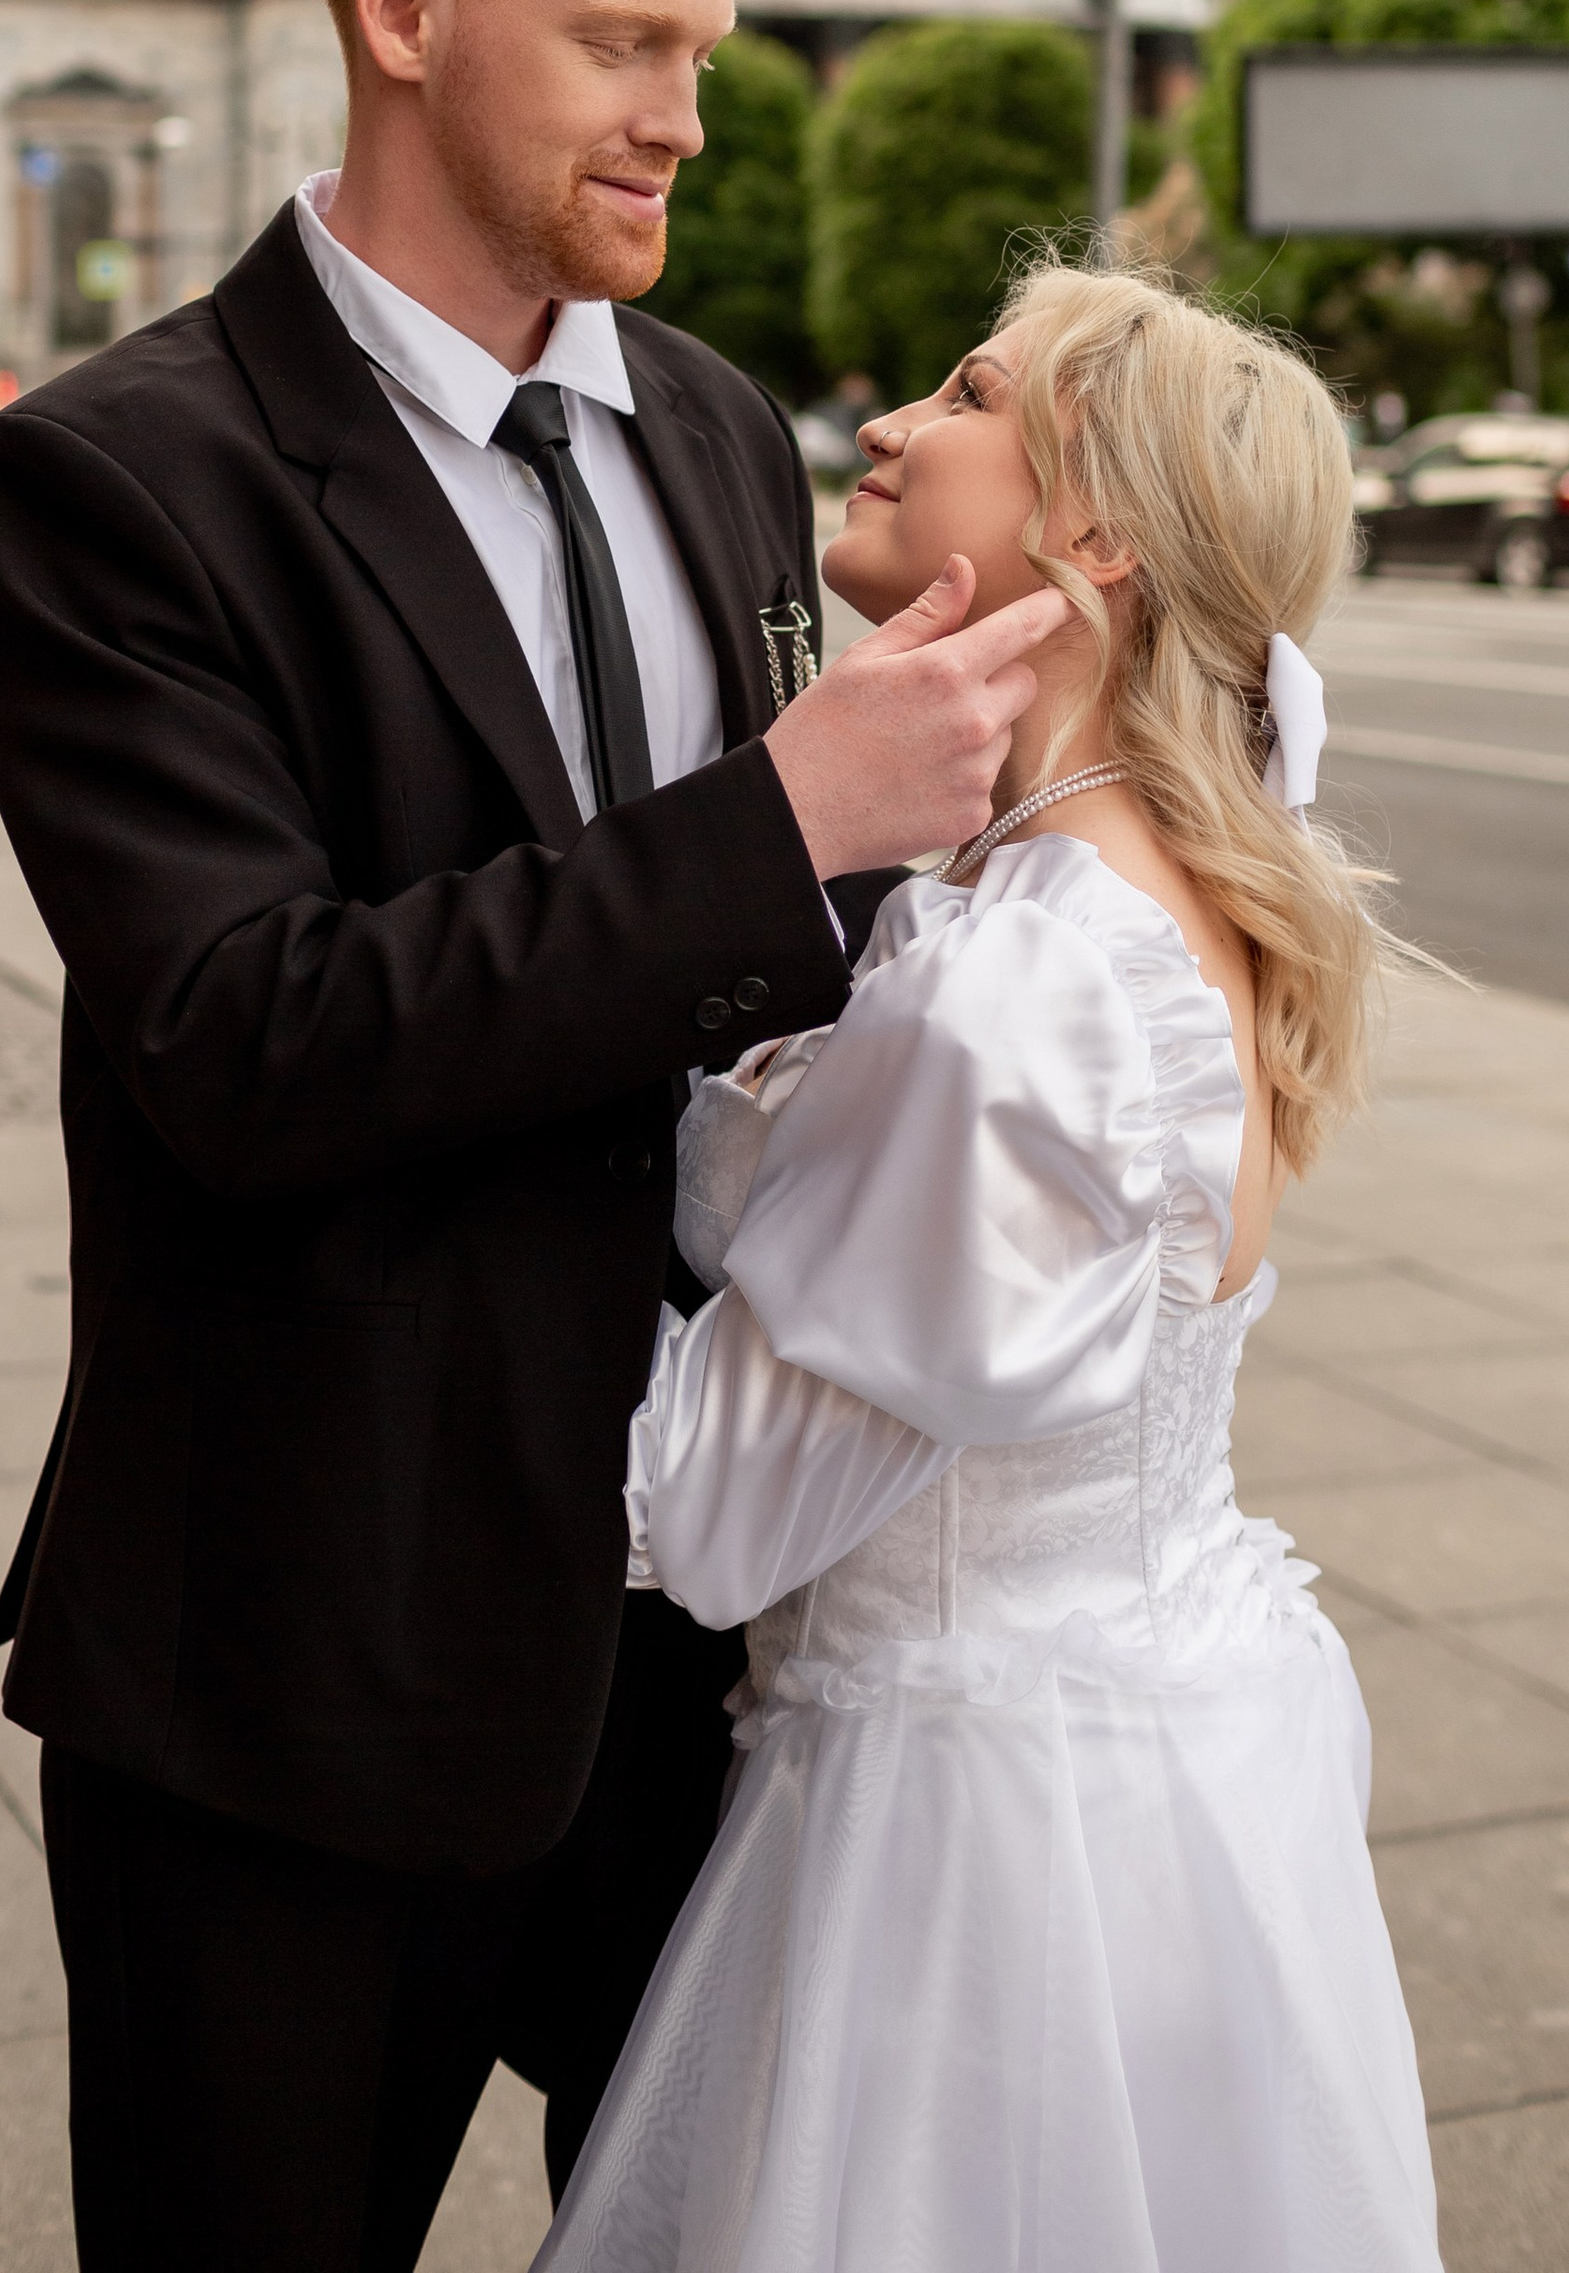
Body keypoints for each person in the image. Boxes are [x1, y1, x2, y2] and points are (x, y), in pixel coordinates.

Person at [0, 0, 1068, 2272]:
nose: (687, 117)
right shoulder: (119, 478)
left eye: (706, 52)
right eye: (622, 43)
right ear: (403, 3)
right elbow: (245, 1042)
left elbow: (772, 975)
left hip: (705, 1646)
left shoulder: (705, 428)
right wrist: (782, 820)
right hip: (299, 1659)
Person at [548, 261, 1443, 2272]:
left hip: (969, 1841)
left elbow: (706, 1506)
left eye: (959, 392)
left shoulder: (1017, 981)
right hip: (1157, 1766)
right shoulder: (1110, 889)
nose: (878, 424)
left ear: (1092, 533)